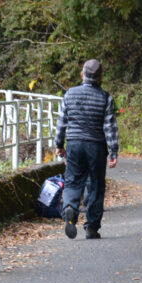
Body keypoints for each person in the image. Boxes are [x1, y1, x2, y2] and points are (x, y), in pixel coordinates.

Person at [54, 59, 118, 239]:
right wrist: (113, 151)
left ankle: (70, 208)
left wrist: (59, 144)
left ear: (82, 75)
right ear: (100, 78)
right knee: (96, 186)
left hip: (74, 143)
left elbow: (61, 123)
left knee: (73, 180)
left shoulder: (69, 94)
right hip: (96, 146)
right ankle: (91, 226)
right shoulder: (106, 98)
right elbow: (109, 127)